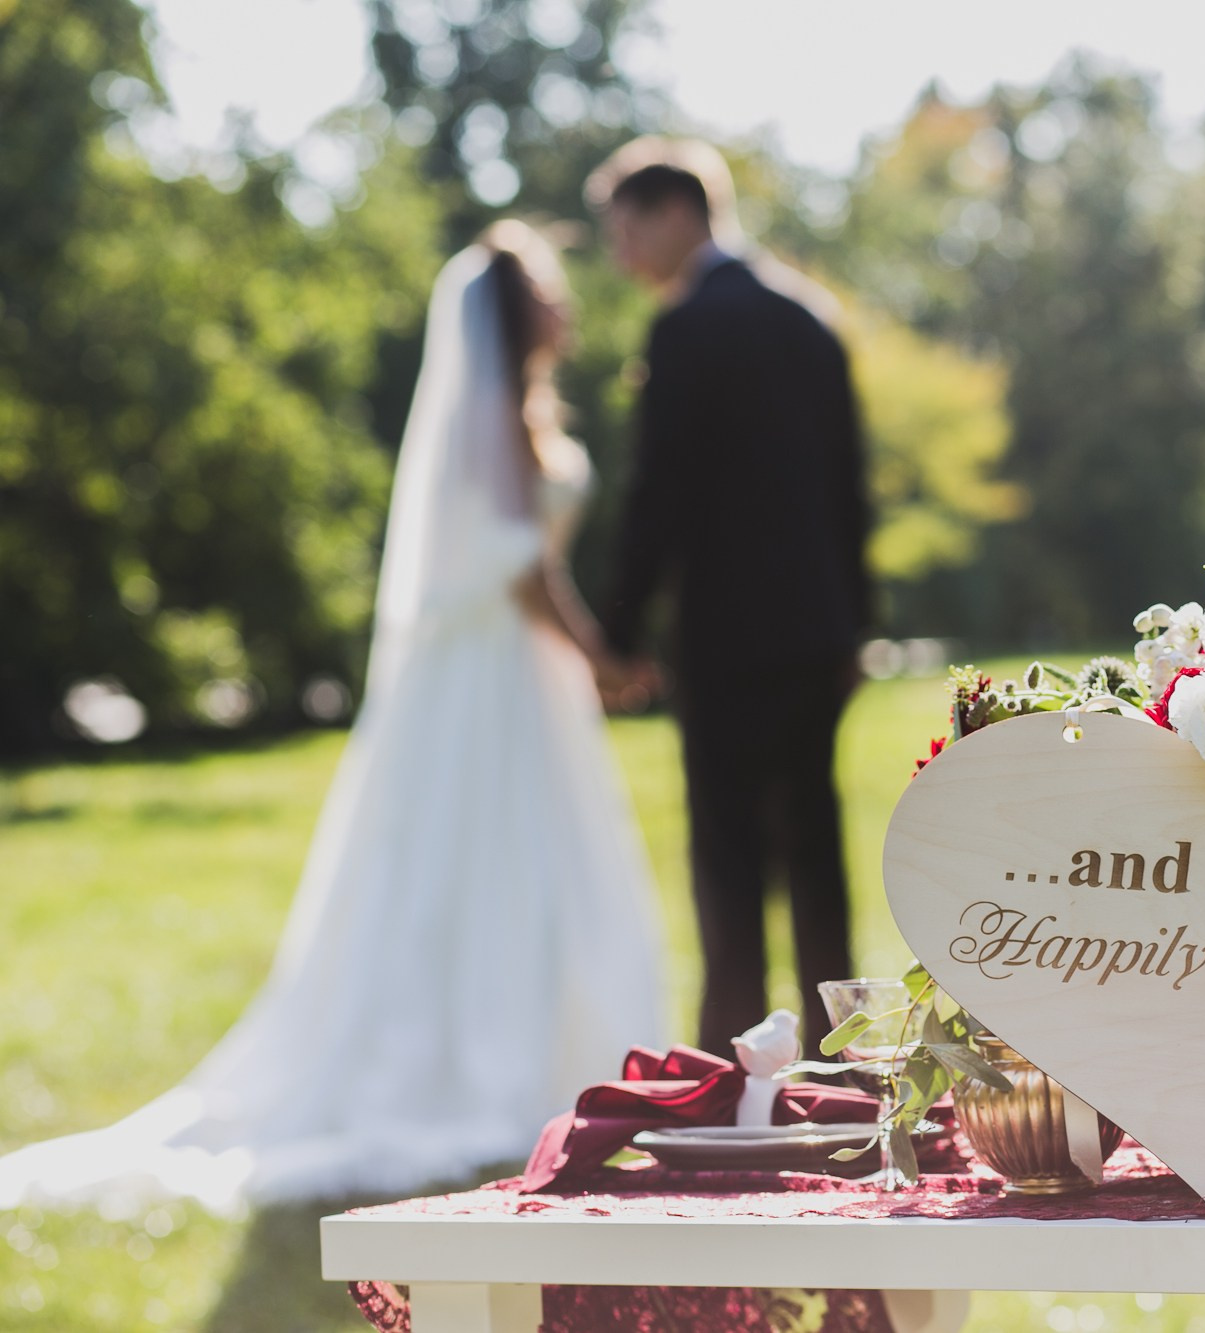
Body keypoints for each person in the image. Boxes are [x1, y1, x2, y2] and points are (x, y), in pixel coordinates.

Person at [0, 223, 665, 1213]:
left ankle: (541, 1050)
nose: (567, 304)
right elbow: (518, 565)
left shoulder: (512, 415)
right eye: (552, 291)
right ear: (520, 314)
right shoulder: (488, 424)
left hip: (517, 678)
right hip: (495, 676)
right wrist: (598, 655)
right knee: (492, 858)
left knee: (527, 860)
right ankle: (486, 1061)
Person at [590, 139, 871, 1055]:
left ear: (679, 212)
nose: (619, 252)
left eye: (625, 228)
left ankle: (737, 1067)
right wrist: (854, 628)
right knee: (817, 856)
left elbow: (656, 495)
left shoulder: (685, 330)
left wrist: (620, 630)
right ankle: (849, 1062)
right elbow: (851, 492)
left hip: (722, 639)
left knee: (728, 859)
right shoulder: (810, 317)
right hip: (816, 635)